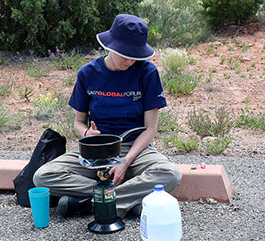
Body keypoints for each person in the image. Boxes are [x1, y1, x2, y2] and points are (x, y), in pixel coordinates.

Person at [33, 14, 182, 218]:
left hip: (135, 149)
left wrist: (126, 162)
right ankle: (124, 201)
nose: (130, 61)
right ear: (110, 46)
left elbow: (150, 129)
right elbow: (79, 121)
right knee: (43, 176)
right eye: (124, 54)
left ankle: (93, 202)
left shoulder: (147, 72)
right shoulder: (88, 73)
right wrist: (86, 133)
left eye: (135, 55)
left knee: (171, 174)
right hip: (98, 149)